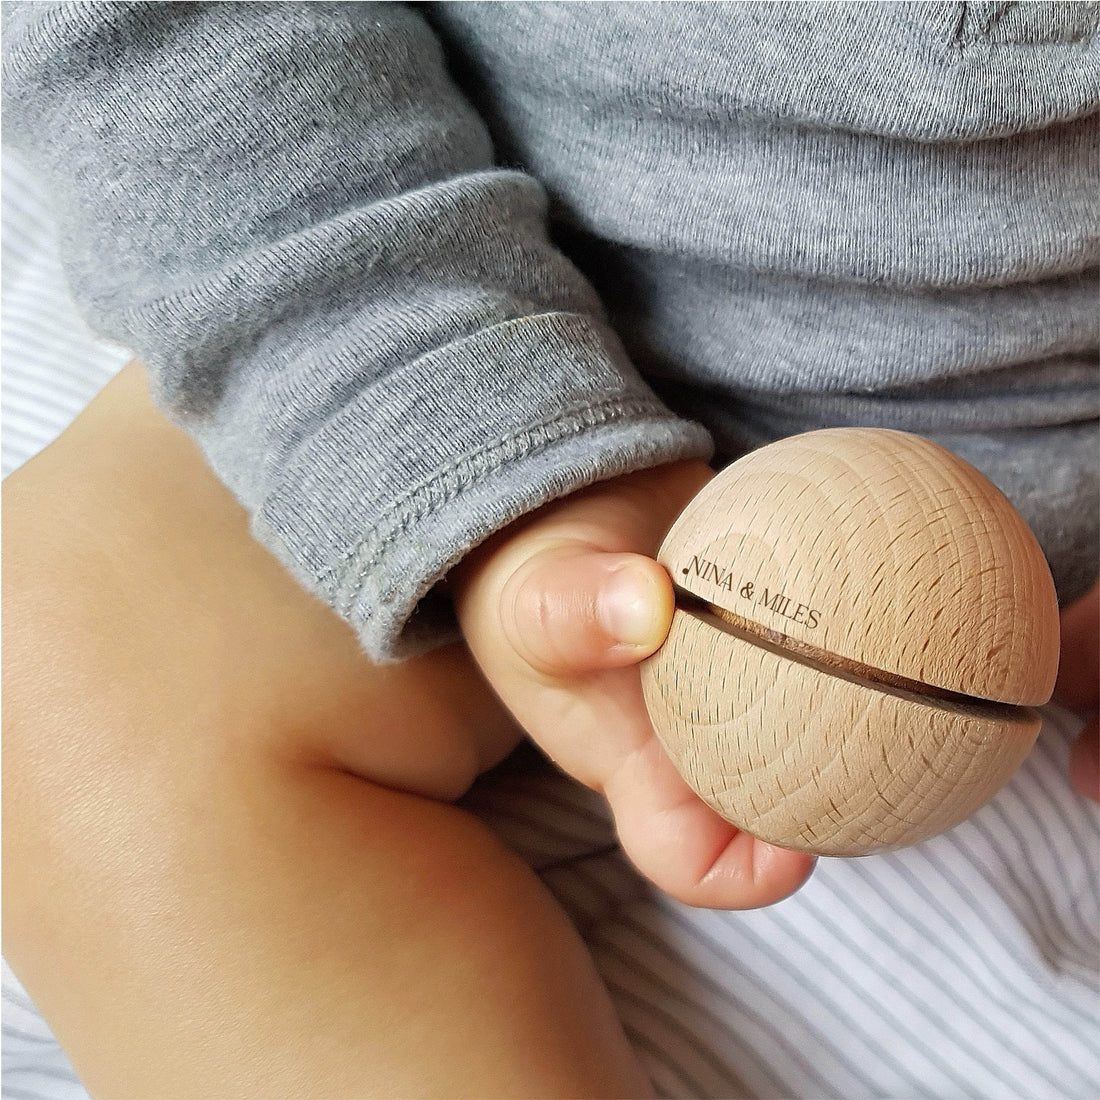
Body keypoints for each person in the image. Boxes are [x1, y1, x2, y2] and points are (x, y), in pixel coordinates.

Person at [3, 2, 1098, 1095]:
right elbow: (168, 47)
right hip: (449, 300)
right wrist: (477, 440)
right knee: (67, 647)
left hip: (1036, 491)